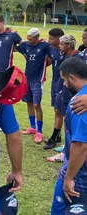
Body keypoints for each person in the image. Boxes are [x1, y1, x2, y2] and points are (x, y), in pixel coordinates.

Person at [50, 57, 87, 215]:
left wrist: (69, 178)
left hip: (79, 175)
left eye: (65, 80)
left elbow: (81, 146)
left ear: (72, 77)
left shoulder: (78, 104)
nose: (64, 85)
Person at [16, 28, 50, 143]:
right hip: (27, 79)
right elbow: (16, 47)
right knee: (29, 103)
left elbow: (51, 56)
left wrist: (44, 66)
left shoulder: (45, 46)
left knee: (37, 105)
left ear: (37, 38)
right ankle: (32, 127)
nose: (28, 40)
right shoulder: (26, 45)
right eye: (27, 38)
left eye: (30, 39)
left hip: (37, 81)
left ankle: (39, 131)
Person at [43, 28, 65, 149]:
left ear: (59, 38)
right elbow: (49, 62)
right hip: (55, 83)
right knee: (56, 110)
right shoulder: (51, 48)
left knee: (59, 111)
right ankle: (57, 135)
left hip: (64, 85)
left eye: (52, 38)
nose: (49, 40)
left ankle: (54, 138)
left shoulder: (66, 51)